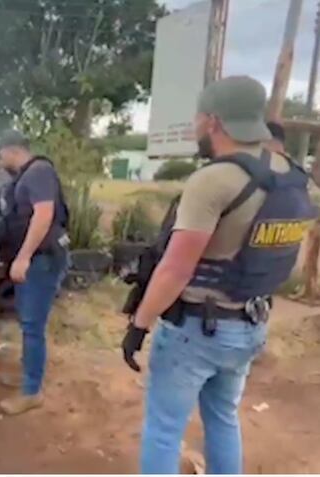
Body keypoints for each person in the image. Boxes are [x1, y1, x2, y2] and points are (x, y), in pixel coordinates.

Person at [121, 76, 316, 474]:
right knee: (223, 419)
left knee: (164, 430)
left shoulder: (213, 180)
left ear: (212, 121)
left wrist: (139, 325)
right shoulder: (291, 175)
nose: (194, 127)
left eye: (196, 119)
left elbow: (176, 268)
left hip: (196, 329)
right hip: (250, 322)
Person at [0, 130, 69, 416]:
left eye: (0, 155)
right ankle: (28, 379)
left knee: (32, 327)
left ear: (12, 150)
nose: (0, 161)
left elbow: (44, 215)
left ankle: (32, 392)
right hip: (35, 259)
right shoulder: (25, 176)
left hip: (41, 260)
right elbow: (20, 217)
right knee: (28, 323)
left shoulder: (39, 172)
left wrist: (23, 257)